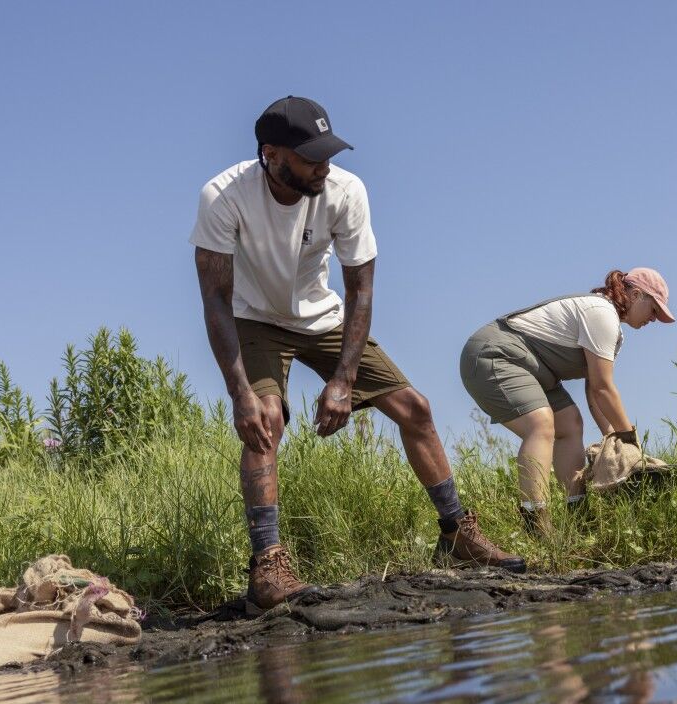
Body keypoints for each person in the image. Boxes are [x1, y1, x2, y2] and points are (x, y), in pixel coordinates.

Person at [191, 96, 525, 614]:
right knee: (265, 420)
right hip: (253, 319)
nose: (323, 166)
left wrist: (344, 379)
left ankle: (458, 532)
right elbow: (215, 298)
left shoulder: (346, 191)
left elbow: (360, 291)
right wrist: (240, 394)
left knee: (415, 408)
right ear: (270, 155)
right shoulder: (224, 196)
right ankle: (267, 568)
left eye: (328, 153)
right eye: (310, 157)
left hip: (322, 318)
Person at [459, 268, 675, 535]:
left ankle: (579, 518)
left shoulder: (615, 333)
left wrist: (613, 439)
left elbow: (594, 389)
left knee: (570, 424)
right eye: (654, 310)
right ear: (635, 294)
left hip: (535, 370)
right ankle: (536, 525)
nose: (654, 319)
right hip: (494, 354)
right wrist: (630, 439)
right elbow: (604, 388)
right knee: (540, 424)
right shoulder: (601, 314)